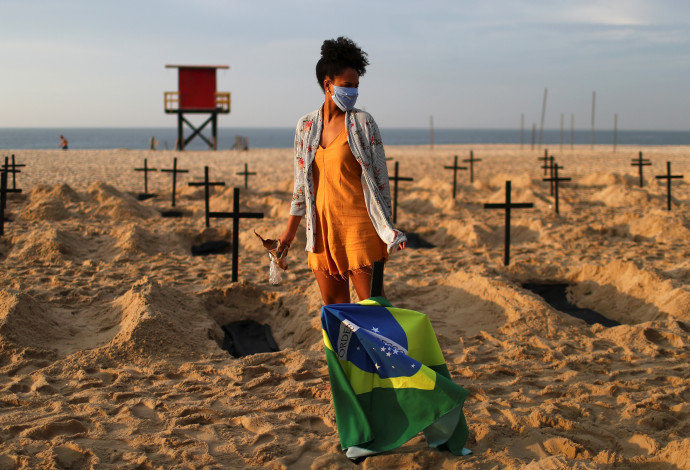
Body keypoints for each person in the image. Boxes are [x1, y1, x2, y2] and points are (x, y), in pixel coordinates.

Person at [279, 37, 406, 305]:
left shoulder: (363, 123)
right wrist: (289, 233)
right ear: (328, 85)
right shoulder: (305, 127)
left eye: (357, 86)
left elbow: (381, 182)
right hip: (322, 232)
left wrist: (388, 228)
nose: (354, 92)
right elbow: (301, 185)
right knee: (336, 312)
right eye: (348, 86)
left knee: (374, 309)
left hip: (359, 229)